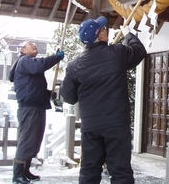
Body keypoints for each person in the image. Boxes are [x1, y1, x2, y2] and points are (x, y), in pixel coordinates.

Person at [60, 16, 147, 184]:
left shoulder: (74, 66)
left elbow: (68, 97)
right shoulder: (117, 52)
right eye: (104, 29)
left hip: (91, 126)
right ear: (100, 36)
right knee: (120, 170)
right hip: (116, 124)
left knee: (89, 169)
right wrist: (128, 35)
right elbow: (139, 51)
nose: (107, 30)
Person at [9, 41, 65, 184]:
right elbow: (39, 65)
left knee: (34, 140)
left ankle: (26, 170)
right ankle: (17, 174)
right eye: (30, 44)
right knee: (28, 140)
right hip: (29, 108)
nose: (34, 45)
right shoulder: (25, 61)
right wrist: (56, 57)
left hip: (36, 106)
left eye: (34, 44)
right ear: (22, 49)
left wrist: (48, 94)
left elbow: (33, 88)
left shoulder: (29, 64)